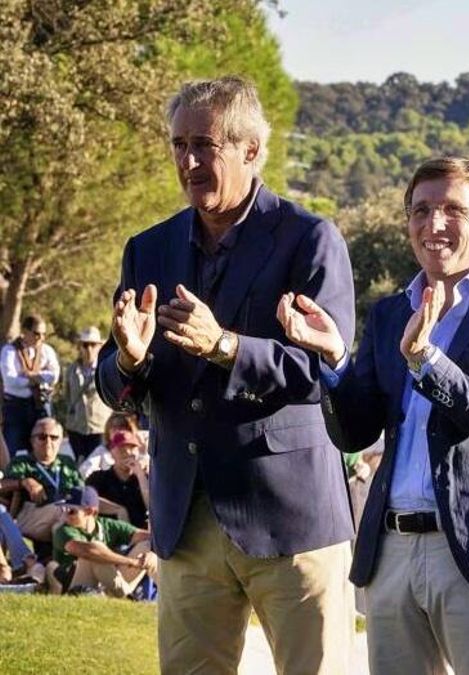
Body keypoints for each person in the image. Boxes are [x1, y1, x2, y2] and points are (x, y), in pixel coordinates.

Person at [95, 76, 356, 674]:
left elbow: (323, 370)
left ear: (250, 150)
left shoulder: (310, 240)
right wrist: (129, 360)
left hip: (291, 518)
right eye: (178, 144)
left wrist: (227, 347)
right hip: (186, 521)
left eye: (204, 145)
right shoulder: (148, 249)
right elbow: (112, 382)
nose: (188, 160)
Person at [279, 156, 469, 674]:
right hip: (391, 553)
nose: (432, 224)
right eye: (420, 210)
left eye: (452, 210)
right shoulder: (391, 313)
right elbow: (355, 432)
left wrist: (425, 360)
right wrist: (334, 361)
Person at [46, 486, 157, 597]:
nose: (65, 516)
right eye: (63, 509)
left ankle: (171, 595)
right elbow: (88, 551)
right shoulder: (62, 531)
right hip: (77, 587)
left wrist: (150, 554)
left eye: (70, 511)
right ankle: (127, 597)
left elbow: (146, 537)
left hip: (109, 584)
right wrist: (131, 562)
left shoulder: (107, 525)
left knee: (147, 546)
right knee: (95, 552)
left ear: (90, 511)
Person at [0, 418, 83, 543]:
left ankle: (60, 559)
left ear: (61, 441)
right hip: (33, 515)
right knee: (62, 511)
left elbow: (81, 490)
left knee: (79, 514)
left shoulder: (67, 462)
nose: (48, 442)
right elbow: (3, 484)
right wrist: (24, 482)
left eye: (54, 437)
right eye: (42, 437)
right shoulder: (22, 461)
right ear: (32, 441)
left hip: (64, 515)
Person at [1, 315, 60, 457]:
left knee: (42, 447)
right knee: (11, 447)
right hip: (16, 406)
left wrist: (30, 376)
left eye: (44, 334)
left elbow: (54, 376)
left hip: (39, 404)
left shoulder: (47, 350)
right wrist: (37, 379)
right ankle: (11, 478)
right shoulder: (9, 351)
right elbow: (10, 380)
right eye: (37, 333)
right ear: (25, 332)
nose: (41, 338)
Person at [62, 326, 112, 462]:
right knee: (79, 463)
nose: (89, 349)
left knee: (95, 465)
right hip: (75, 427)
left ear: (99, 346)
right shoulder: (71, 370)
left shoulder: (106, 368)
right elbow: (67, 395)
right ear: (80, 347)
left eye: (93, 345)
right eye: (85, 345)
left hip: (99, 426)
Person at [85, 430, 150, 528]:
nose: (128, 453)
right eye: (122, 449)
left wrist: (140, 474)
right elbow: (86, 500)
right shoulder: (99, 478)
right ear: (111, 453)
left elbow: (153, 507)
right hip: (109, 535)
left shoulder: (145, 479)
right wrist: (117, 509)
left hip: (141, 536)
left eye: (132, 448)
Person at [77, 412, 148, 479]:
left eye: (121, 428)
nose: (118, 432)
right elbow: (85, 470)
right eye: (114, 428)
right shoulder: (102, 451)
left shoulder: (141, 445)